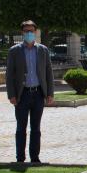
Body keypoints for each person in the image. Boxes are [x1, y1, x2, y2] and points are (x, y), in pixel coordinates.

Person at [6, 20, 55, 163]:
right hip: (22, 95)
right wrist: (12, 95)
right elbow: (9, 75)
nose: (29, 33)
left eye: (31, 31)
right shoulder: (14, 51)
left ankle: (35, 158)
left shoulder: (43, 50)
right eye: (26, 31)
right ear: (22, 33)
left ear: (35, 32)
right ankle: (20, 158)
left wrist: (50, 93)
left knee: (36, 128)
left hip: (38, 93)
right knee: (21, 128)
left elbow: (48, 72)